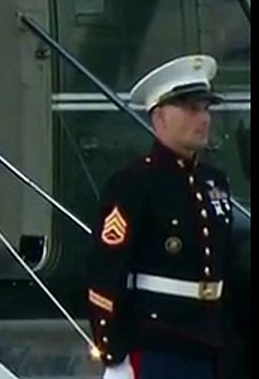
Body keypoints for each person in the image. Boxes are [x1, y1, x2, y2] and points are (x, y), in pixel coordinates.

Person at [86, 54, 235, 379]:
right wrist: (113, 349)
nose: (204, 119)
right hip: (155, 343)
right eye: (191, 109)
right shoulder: (134, 183)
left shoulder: (214, 182)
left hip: (207, 343)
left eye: (206, 108)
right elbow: (107, 270)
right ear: (160, 117)